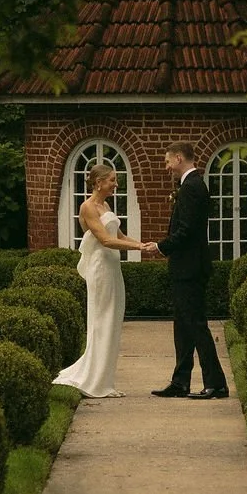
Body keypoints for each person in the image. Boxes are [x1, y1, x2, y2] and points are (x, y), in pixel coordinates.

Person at [140, 143, 230, 398]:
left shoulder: (191, 187)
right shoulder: (190, 185)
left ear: (179, 158)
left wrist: (160, 246)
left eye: (168, 161)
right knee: (183, 325)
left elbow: (187, 230)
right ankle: (180, 382)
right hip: (185, 267)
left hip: (190, 267)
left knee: (196, 324)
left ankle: (217, 383)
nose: (166, 167)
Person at [53, 162, 145, 397]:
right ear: (99, 182)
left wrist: (145, 245)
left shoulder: (105, 205)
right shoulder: (87, 207)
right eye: (112, 180)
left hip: (113, 267)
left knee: (113, 320)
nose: (116, 184)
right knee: (102, 320)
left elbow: (119, 235)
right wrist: (137, 248)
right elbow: (105, 240)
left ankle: (105, 379)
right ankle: (97, 382)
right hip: (100, 268)